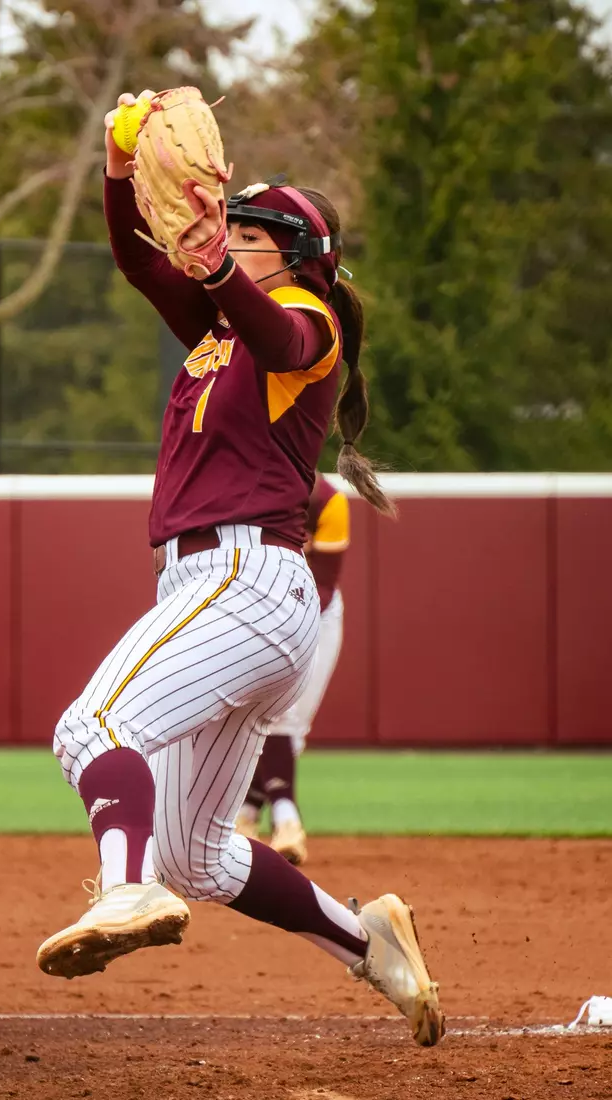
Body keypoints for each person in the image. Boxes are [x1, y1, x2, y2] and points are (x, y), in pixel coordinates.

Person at [36, 90, 444, 1047]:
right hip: (222, 591)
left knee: (92, 724)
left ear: (291, 255)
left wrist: (220, 262)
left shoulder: (307, 322)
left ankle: (123, 889)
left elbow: (281, 336)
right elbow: (138, 261)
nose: (225, 235)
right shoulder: (221, 329)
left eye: (250, 232)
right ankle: (369, 942)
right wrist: (117, 171)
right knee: (199, 856)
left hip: (246, 578)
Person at [236, 474, 349, 865]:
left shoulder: (327, 500)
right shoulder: (247, 491)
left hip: (317, 613)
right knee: (277, 714)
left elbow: (324, 584)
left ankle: (246, 815)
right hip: (255, 610)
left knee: (293, 724)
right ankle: (287, 820)